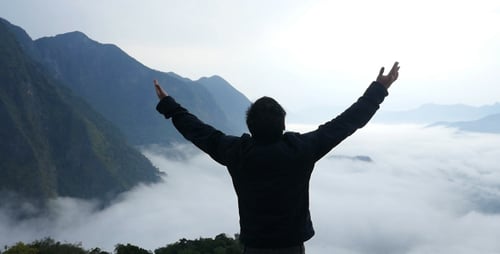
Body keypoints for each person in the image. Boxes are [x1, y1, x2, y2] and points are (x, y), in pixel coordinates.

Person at [154, 62, 400, 254]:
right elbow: (346, 123)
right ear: (283, 124)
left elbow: (198, 131)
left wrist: (169, 105)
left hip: (254, 246)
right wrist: (379, 89)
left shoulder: (236, 152)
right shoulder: (301, 149)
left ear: (249, 126)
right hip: (292, 247)